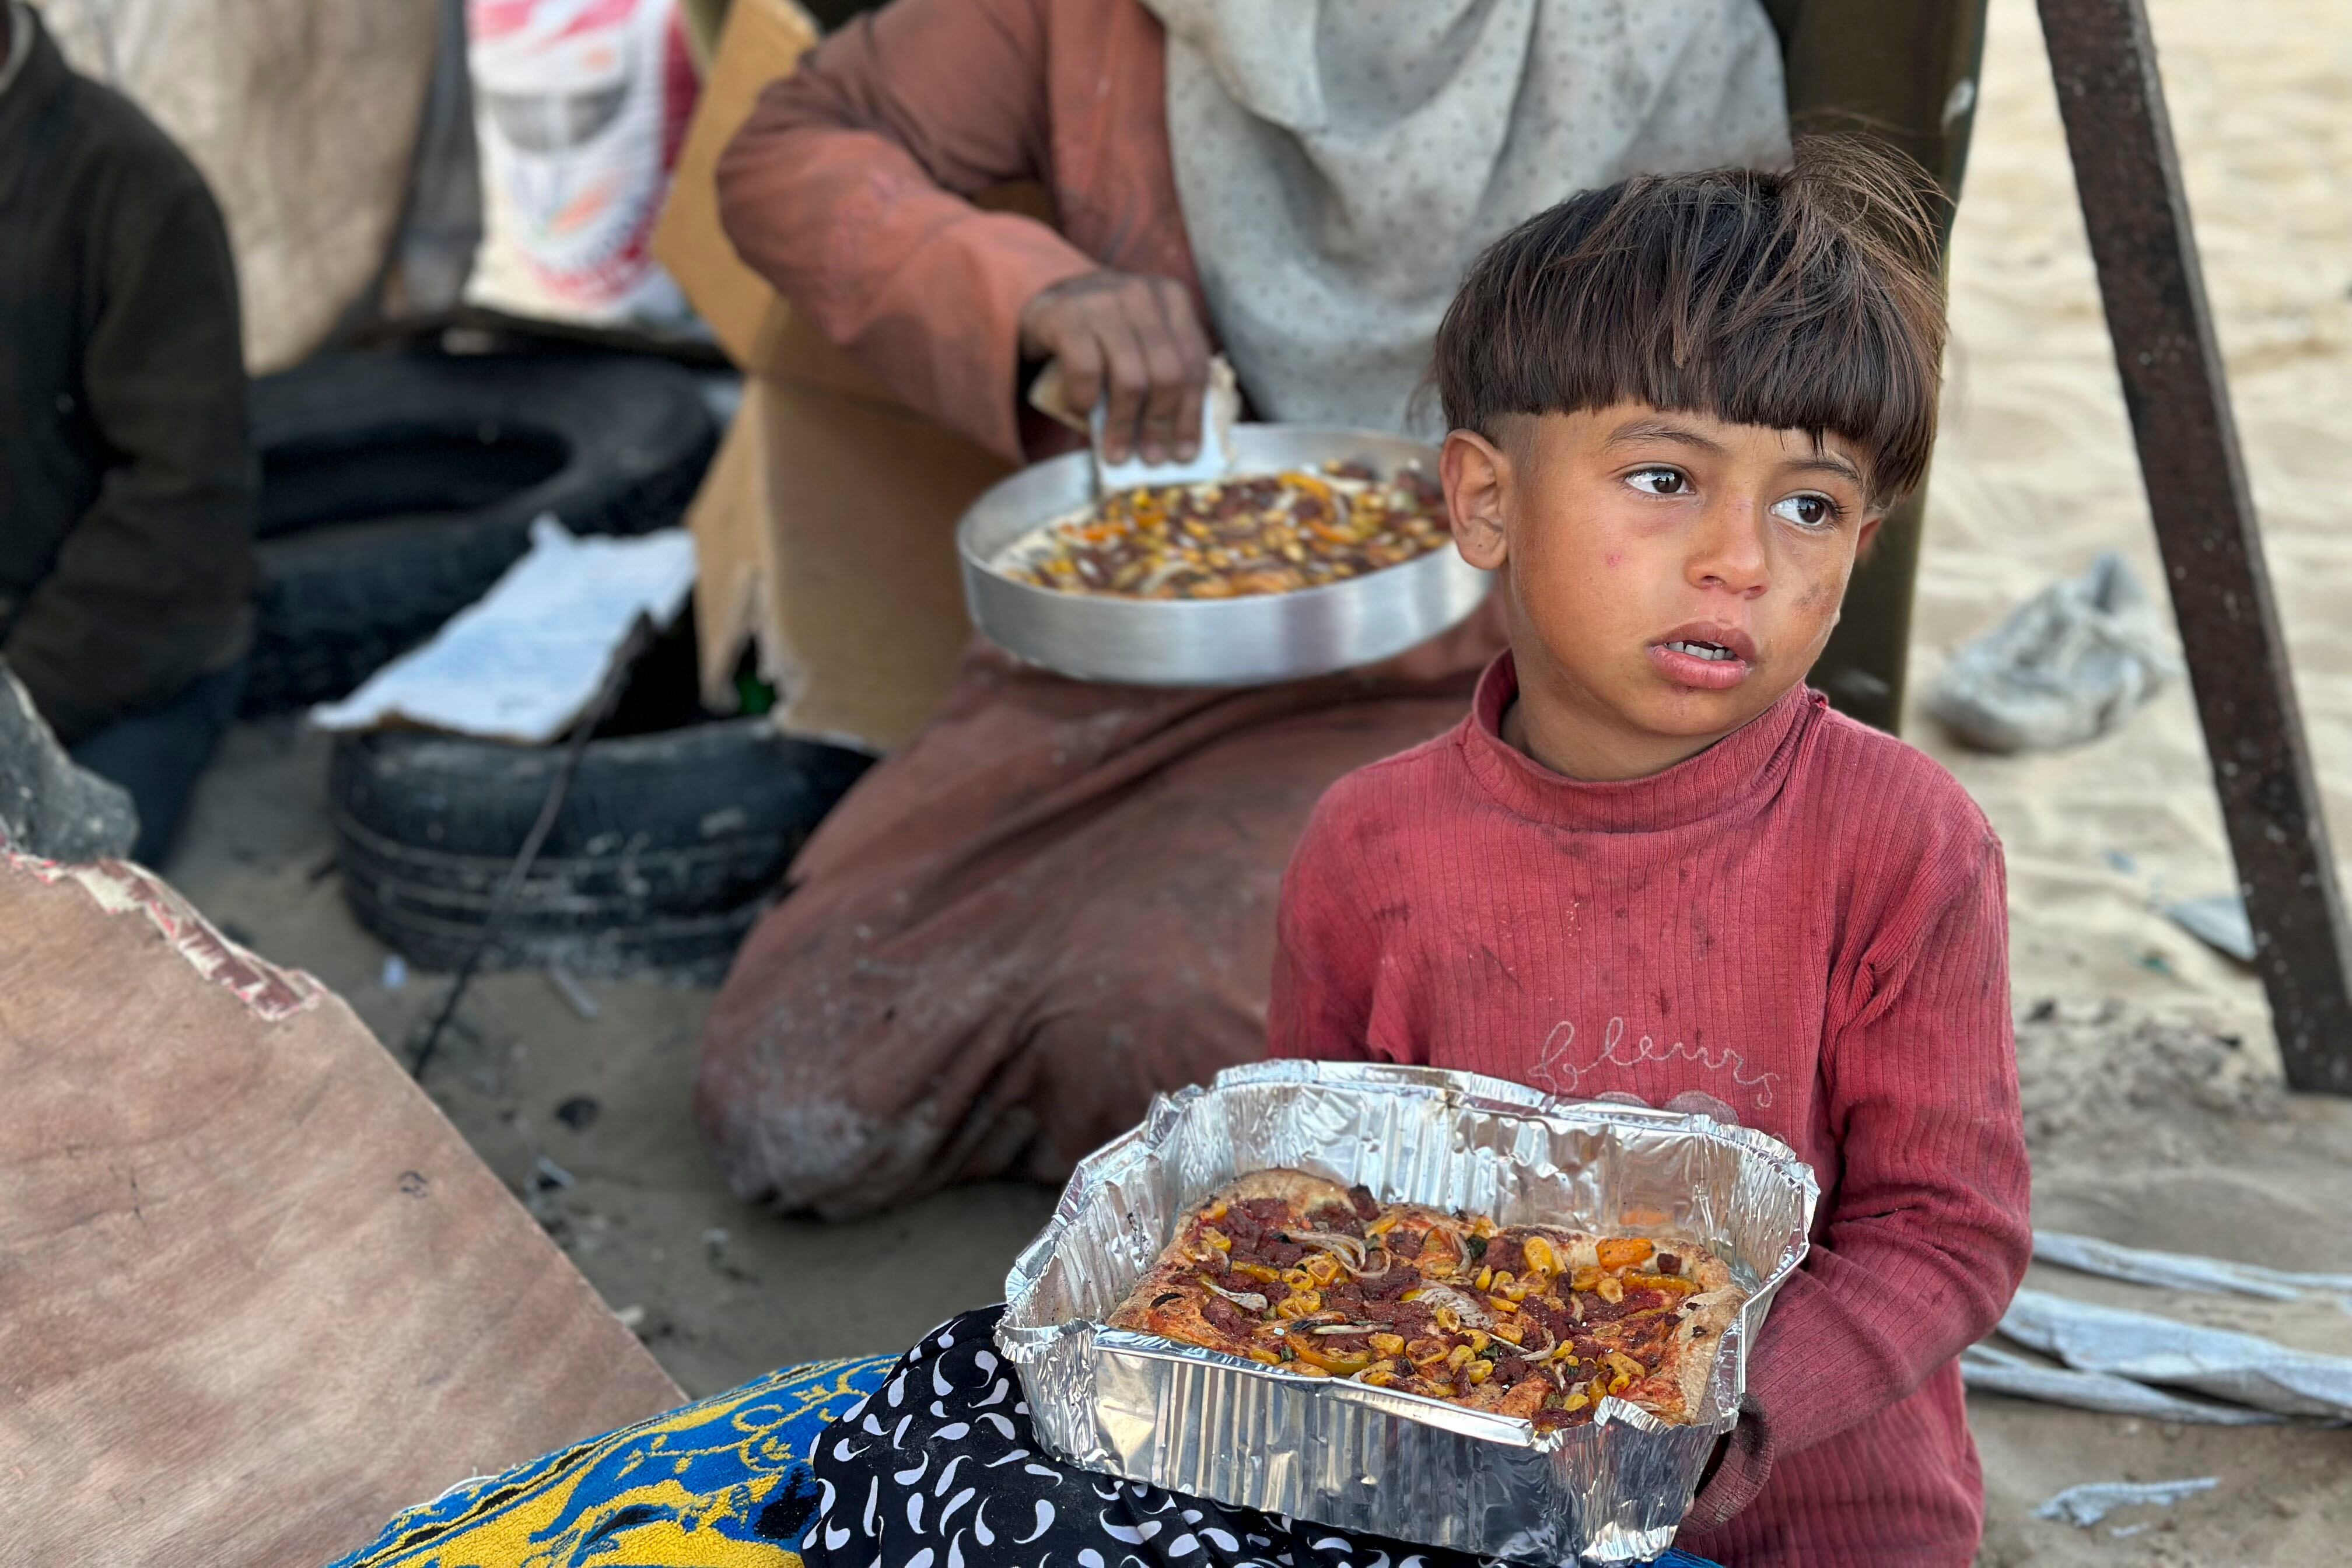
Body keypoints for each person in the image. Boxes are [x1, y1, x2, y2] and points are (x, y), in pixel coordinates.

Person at [699, 0, 1986, 1217]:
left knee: (1232, 1040)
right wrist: (1031, 291)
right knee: (803, 1095)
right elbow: (791, 153)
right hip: (1144, 636)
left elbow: (1737, 437)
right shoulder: (1112, 15)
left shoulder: (1660, 40)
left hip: (1489, 670)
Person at [1268, 148, 2029, 1564]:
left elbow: (1949, 1229)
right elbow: (1324, 1207)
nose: (1741, 558)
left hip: (1819, 1522)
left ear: (1863, 538)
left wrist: (1717, 1408)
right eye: (1667, 477)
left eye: (1809, 505)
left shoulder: (1902, 843)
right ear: (1485, 501)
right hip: (1466, 1513)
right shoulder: (1370, 851)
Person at [0, 1, 257, 866]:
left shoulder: (132, 189)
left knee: (57, 928)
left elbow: (183, 512)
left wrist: (17, 709)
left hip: (106, 667)